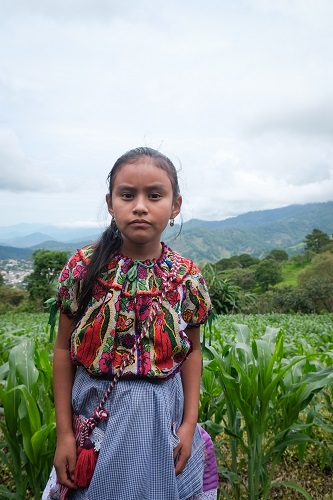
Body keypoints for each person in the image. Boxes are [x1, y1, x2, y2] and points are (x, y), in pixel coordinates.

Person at [44, 147, 218, 500]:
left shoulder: (186, 277)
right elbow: (63, 349)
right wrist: (64, 433)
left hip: (159, 423)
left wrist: (188, 425)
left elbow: (193, 352)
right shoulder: (83, 268)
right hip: (96, 421)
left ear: (175, 206)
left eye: (154, 195)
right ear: (110, 203)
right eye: (128, 195)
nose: (140, 205)